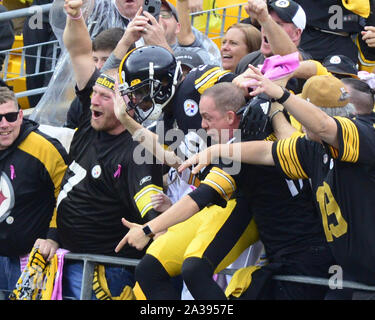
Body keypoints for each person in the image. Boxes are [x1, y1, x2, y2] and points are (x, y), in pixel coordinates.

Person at [115, 81, 335, 300]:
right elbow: (178, 161)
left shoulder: (245, 150)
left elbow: (198, 198)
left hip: (298, 256)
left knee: (195, 269)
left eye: (208, 118)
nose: (202, 125)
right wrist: (127, 121)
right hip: (288, 250)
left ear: (231, 117)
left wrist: (148, 229)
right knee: (151, 269)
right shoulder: (258, 141)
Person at [181, 72, 375, 296]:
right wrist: (217, 150)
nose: (299, 120)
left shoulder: (363, 134)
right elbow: (267, 152)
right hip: (348, 271)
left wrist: (281, 95)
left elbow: (323, 125)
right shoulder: (312, 147)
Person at [34, 0, 165, 300]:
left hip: (107, 271)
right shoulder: (86, 117)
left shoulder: (137, 149)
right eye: (93, 93)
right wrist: (75, 16)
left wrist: (158, 223)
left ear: (126, 103)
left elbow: (151, 209)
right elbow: (79, 52)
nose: (93, 101)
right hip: (66, 260)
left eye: (104, 97)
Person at [0, 86, 68, 297]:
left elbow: (68, 195)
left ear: (20, 115)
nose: (4, 125)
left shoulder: (44, 148)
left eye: (10, 116)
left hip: (31, 260)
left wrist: (53, 236)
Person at [64, 27, 125, 129]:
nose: (99, 66)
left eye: (106, 60)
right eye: (95, 60)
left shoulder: (135, 99)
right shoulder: (81, 100)